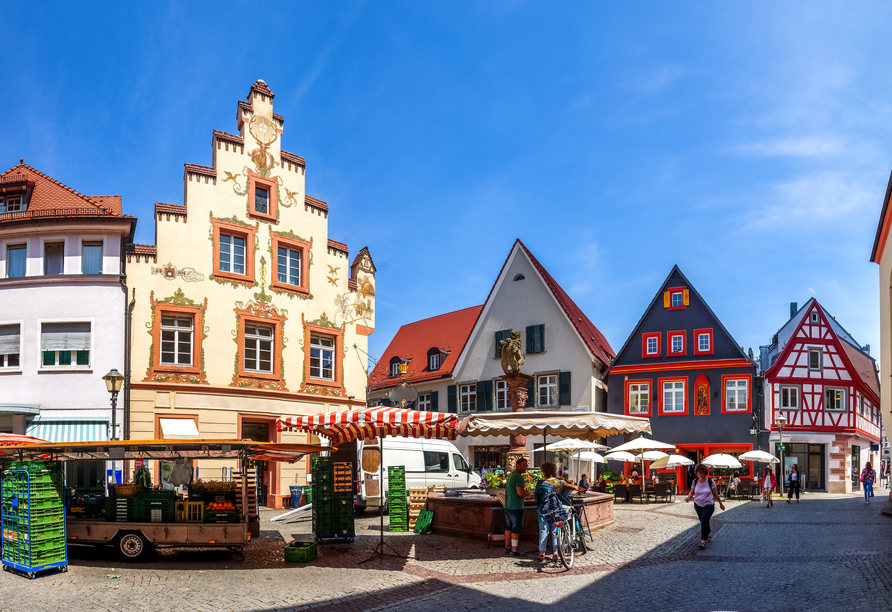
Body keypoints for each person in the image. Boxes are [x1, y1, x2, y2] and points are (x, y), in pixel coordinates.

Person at [535, 461, 585, 562]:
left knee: (543, 531)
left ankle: (541, 554)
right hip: (557, 510)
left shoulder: (540, 484)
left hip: (543, 511)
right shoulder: (560, 482)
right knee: (555, 531)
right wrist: (581, 489)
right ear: (553, 470)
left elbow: (537, 497)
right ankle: (555, 553)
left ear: (543, 472)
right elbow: (575, 488)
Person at [684, 464, 725, 549]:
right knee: (703, 521)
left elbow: (715, 494)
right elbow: (692, 492)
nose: (699, 472)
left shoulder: (710, 482)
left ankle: (703, 540)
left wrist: (721, 504)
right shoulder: (695, 481)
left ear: (704, 472)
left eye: (701, 471)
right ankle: (708, 533)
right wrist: (688, 497)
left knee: (703, 521)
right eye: (698, 471)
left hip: (709, 505)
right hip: (698, 505)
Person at [503, 457, 529, 556]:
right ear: (518, 465)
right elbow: (520, 492)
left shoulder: (511, 475)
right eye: (524, 466)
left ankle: (507, 547)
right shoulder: (518, 477)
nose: (526, 468)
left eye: (526, 465)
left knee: (508, 527)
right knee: (515, 529)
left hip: (508, 505)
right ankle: (513, 550)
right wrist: (527, 494)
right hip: (516, 506)